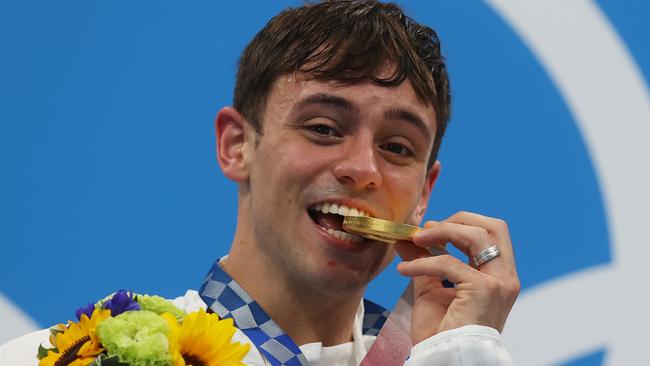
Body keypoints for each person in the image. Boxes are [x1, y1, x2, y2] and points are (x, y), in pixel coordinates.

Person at [0, 1, 519, 365]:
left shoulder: (455, 356)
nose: (364, 168)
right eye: (323, 129)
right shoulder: (69, 359)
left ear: (424, 193)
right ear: (236, 145)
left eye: (397, 148)